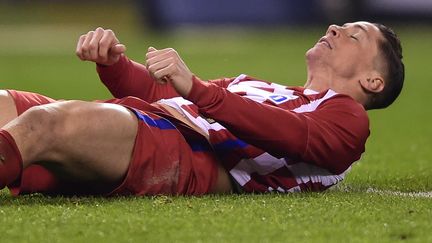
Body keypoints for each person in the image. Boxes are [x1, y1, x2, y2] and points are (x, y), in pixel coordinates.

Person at [0, 21, 404, 196]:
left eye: (355, 34)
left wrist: (199, 90)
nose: (334, 29)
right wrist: (113, 63)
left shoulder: (347, 117)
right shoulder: (258, 87)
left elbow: (294, 136)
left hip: (182, 152)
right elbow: (165, 94)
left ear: (373, 81)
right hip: (148, 122)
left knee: (41, 126)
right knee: (6, 105)